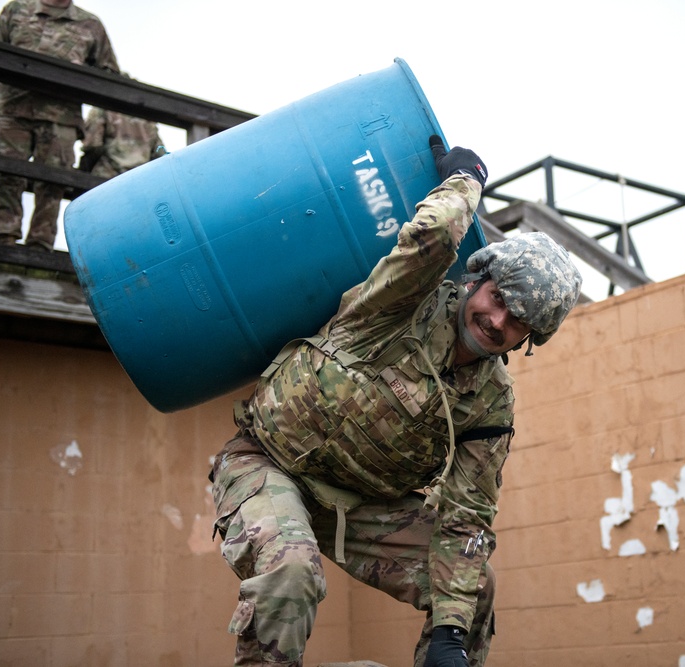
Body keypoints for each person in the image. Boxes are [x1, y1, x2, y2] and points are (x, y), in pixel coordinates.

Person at [210, 136, 582, 667]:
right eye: (499, 298)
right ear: (477, 281)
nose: (498, 321)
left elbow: (467, 515)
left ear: (528, 337)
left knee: (472, 591)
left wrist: (451, 635)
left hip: (362, 508)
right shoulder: (401, 304)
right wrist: (467, 181)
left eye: (518, 320)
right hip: (268, 464)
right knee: (292, 571)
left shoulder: (491, 404)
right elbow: (431, 237)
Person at [0, 0, 118, 250]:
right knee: (7, 175)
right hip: (13, 110)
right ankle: (4, 240)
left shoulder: (90, 23)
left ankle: (39, 247)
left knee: (53, 185)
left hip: (63, 118)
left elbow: (109, 74)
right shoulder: (16, 9)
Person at [79, 80, 164, 179]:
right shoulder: (147, 119)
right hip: (139, 180)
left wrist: (83, 172)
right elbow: (159, 152)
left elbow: (92, 146)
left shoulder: (103, 109)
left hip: (107, 178)